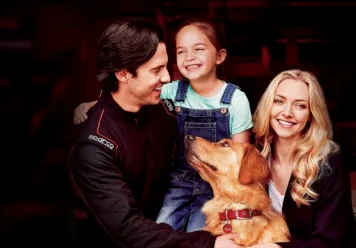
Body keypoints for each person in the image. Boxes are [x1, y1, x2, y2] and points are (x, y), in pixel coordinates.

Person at [68, 19, 242, 248]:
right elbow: (129, 229)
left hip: (176, 229)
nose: (167, 78)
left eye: (166, 67)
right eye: (156, 70)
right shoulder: (94, 146)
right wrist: (210, 244)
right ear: (123, 74)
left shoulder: (162, 108)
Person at [248, 69, 355, 248]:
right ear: (268, 105)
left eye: (300, 105)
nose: (287, 112)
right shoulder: (256, 155)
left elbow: (330, 241)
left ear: (311, 114)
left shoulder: (329, 163)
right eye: (279, 101)